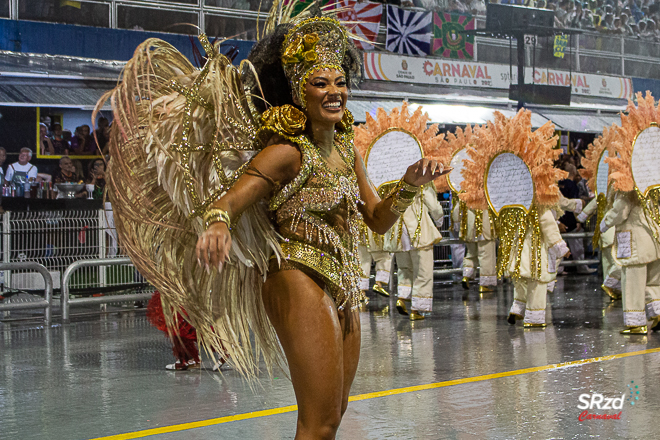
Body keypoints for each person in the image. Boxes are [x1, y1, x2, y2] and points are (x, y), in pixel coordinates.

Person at [103, 12, 445, 439]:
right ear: (299, 91)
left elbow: (377, 219)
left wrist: (410, 185)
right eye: (321, 83)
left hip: (343, 281)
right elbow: (228, 201)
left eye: (339, 82)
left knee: (332, 417)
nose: (334, 92)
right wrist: (217, 224)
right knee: (317, 422)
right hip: (295, 275)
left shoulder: (346, 148)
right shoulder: (287, 152)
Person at [601, 92, 660, 335]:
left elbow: (621, 211)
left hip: (634, 241)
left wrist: (604, 223)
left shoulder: (628, 179)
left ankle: (635, 324)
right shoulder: (653, 178)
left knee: (633, 282)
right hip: (655, 240)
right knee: (655, 281)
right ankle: (657, 312)